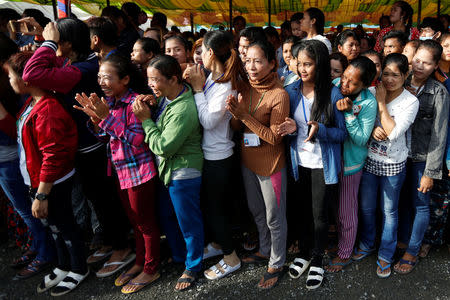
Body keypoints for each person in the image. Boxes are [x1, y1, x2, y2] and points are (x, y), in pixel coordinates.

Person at [21, 18, 133, 279]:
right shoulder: (72, 63)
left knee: (105, 200)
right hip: (81, 147)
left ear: (67, 43)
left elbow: (31, 75)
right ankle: (109, 241)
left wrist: (48, 43)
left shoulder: (83, 68)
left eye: (57, 38)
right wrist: (43, 39)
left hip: (95, 146)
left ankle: (122, 247)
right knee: (96, 199)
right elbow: (36, 67)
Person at [75, 54, 160, 294]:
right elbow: (107, 137)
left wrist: (104, 118)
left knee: (146, 223)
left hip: (139, 172)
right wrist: (96, 120)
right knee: (135, 222)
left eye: (108, 77)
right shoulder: (110, 102)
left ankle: (151, 268)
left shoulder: (136, 103)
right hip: (121, 172)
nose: (102, 81)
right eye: (100, 76)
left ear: (125, 79)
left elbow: (137, 140)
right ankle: (140, 262)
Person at [6, 51, 87, 296]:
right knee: (53, 225)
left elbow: (53, 155)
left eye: (11, 77)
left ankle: (78, 268)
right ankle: (63, 265)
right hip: (39, 179)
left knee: (64, 224)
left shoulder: (48, 109)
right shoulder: (33, 103)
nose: (9, 82)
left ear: (27, 79)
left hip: (52, 181)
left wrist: (42, 194)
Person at [132, 55, 204, 292]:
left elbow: (163, 146)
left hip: (183, 172)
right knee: (168, 217)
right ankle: (180, 256)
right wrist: (152, 104)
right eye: (149, 79)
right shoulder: (168, 97)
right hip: (168, 171)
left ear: (173, 79)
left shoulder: (184, 107)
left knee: (188, 222)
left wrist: (145, 121)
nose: (151, 84)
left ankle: (193, 266)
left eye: (156, 80)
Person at [278, 40, 346, 290]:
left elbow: (342, 134)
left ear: (320, 64)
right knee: (301, 209)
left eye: (308, 64)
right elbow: (290, 125)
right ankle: (304, 252)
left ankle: (318, 257)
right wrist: (291, 128)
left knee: (319, 215)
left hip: (322, 163)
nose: (302, 68)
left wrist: (320, 130)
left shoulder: (333, 93)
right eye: (299, 63)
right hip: (298, 162)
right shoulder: (291, 90)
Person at [184, 30, 249, 280]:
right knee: (213, 206)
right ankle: (221, 245)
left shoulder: (225, 84)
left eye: (202, 51)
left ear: (211, 52)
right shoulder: (214, 76)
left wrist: (198, 90)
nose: (199, 56)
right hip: (210, 153)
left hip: (219, 156)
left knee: (216, 209)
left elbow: (210, 121)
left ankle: (231, 258)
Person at [226, 39, 289, 290]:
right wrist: (235, 115)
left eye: (258, 61)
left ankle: (277, 261)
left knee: (275, 217)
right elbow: (237, 128)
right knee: (256, 211)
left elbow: (274, 137)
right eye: (248, 60)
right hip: (248, 162)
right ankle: (264, 250)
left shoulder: (279, 94)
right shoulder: (243, 87)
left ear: (272, 63)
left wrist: (243, 115)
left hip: (271, 164)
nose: (251, 66)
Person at [353, 53, 419, 279]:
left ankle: (386, 255)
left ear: (405, 75)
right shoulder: (369, 92)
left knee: (389, 212)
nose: (389, 80)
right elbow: (357, 118)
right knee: (367, 208)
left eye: (396, 75)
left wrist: (381, 103)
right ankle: (368, 243)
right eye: (386, 74)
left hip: (394, 164)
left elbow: (393, 131)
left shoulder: (410, 101)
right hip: (369, 160)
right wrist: (370, 129)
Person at [0, 35, 55, 280]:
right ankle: (38, 248)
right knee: (23, 210)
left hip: (12, 161)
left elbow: (17, 133)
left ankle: (45, 253)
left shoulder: (23, 93)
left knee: (28, 211)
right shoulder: (13, 87)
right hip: (11, 161)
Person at [396, 40, 449, 274]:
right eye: (417, 59)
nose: (419, 66)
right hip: (397, 155)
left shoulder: (439, 92)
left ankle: (412, 251)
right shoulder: (399, 81)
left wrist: (430, 172)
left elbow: (440, 135)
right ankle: (404, 240)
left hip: (421, 157)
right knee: (403, 202)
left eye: (427, 63)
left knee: (421, 204)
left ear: (436, 65)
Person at [325, 56, 378, 272]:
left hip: (351, 165)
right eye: (344, 76)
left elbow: (361, 139)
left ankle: (345, 252)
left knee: (347, 211)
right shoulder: (335, 86)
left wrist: (348, 114)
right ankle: (340, 243)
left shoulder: (367, 102)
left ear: (365, 85)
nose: (344, 84)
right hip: (330, 160)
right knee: (334, 208)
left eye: (352, 82)